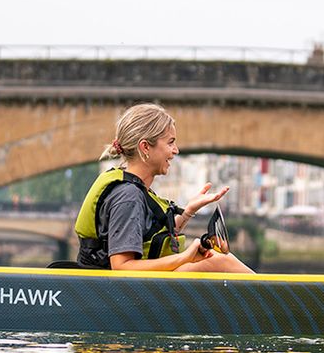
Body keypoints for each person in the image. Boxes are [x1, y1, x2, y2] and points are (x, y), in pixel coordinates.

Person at [75, 103, 253, 273]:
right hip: (120, 294)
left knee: (216, 259)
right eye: (170, 143)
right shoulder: (128, 196)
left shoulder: (134, 188)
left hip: (128, 289)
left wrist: (188, 211)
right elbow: (122, 267)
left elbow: (150, 238)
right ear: (145, 147)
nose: (176, 150)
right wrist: (184, 258)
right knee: (220, 262)